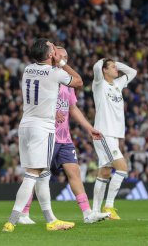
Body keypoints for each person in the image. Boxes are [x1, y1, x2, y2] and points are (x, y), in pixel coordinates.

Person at [18, 47, 110, 224]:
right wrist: (52, 110)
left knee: (74, 172)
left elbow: (73, 108)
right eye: (62, 55)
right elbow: (33, 99)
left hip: (64, 137)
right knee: (36, 173)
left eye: (67, 56)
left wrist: (89, 128)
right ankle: (23, 213)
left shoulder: (66, 81)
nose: (65, 58)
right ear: (52, 56)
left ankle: (87, 213)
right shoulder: (45, 74)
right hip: (46, 133)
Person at [2, 39, 83, 232]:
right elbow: (78, 81)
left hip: (26, 125)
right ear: (49, 55)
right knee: (33, 175)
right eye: (53, 49)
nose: (56, 50)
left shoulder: (28, 69)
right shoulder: (55, 73)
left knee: (43, 174)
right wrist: (62, 62)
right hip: (43, 128)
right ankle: (12, 220)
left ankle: (51, 219)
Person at [91, 58, 137, 220]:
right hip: (103, 132)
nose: (116, 69)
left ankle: (95, 211)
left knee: (104, 172)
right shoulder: (98, 84)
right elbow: (96, 66)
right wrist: (104, 60)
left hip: (113, 135)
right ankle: (109, 206)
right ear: (104, 70)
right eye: (112, 67)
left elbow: (133, 72)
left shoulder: (117, 84)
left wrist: (116, 62)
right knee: (122, 168)